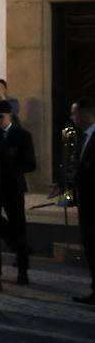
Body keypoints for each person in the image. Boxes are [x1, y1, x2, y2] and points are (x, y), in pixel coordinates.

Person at [0, 100, 35, 286]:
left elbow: (30, 164)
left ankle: (23, 270)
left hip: (13, 187)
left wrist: (8, 161)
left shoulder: (22, 135)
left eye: (1, 117)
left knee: (18, 225)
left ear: (10, 116)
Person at [70, 97, 95, 305]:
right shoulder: (85, 136)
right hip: (86, 202)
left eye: (74, 113)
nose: (72, 117)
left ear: (85, 114)